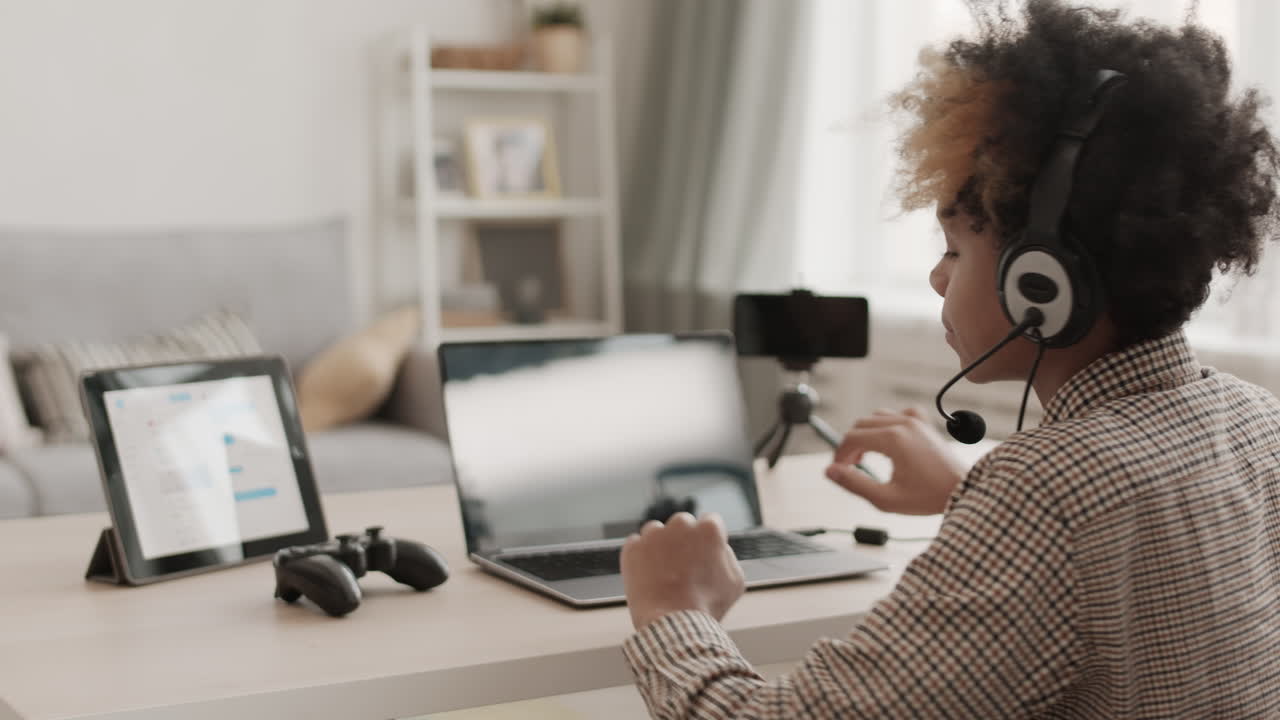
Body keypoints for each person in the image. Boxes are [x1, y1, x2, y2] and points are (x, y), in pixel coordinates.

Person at [619, 1, 1280, 717]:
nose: (938, 278)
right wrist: (968, 494)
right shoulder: (1256, 423)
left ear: (1044, 282)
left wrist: (673, 610)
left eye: (955, 249)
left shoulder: (1046, 495)